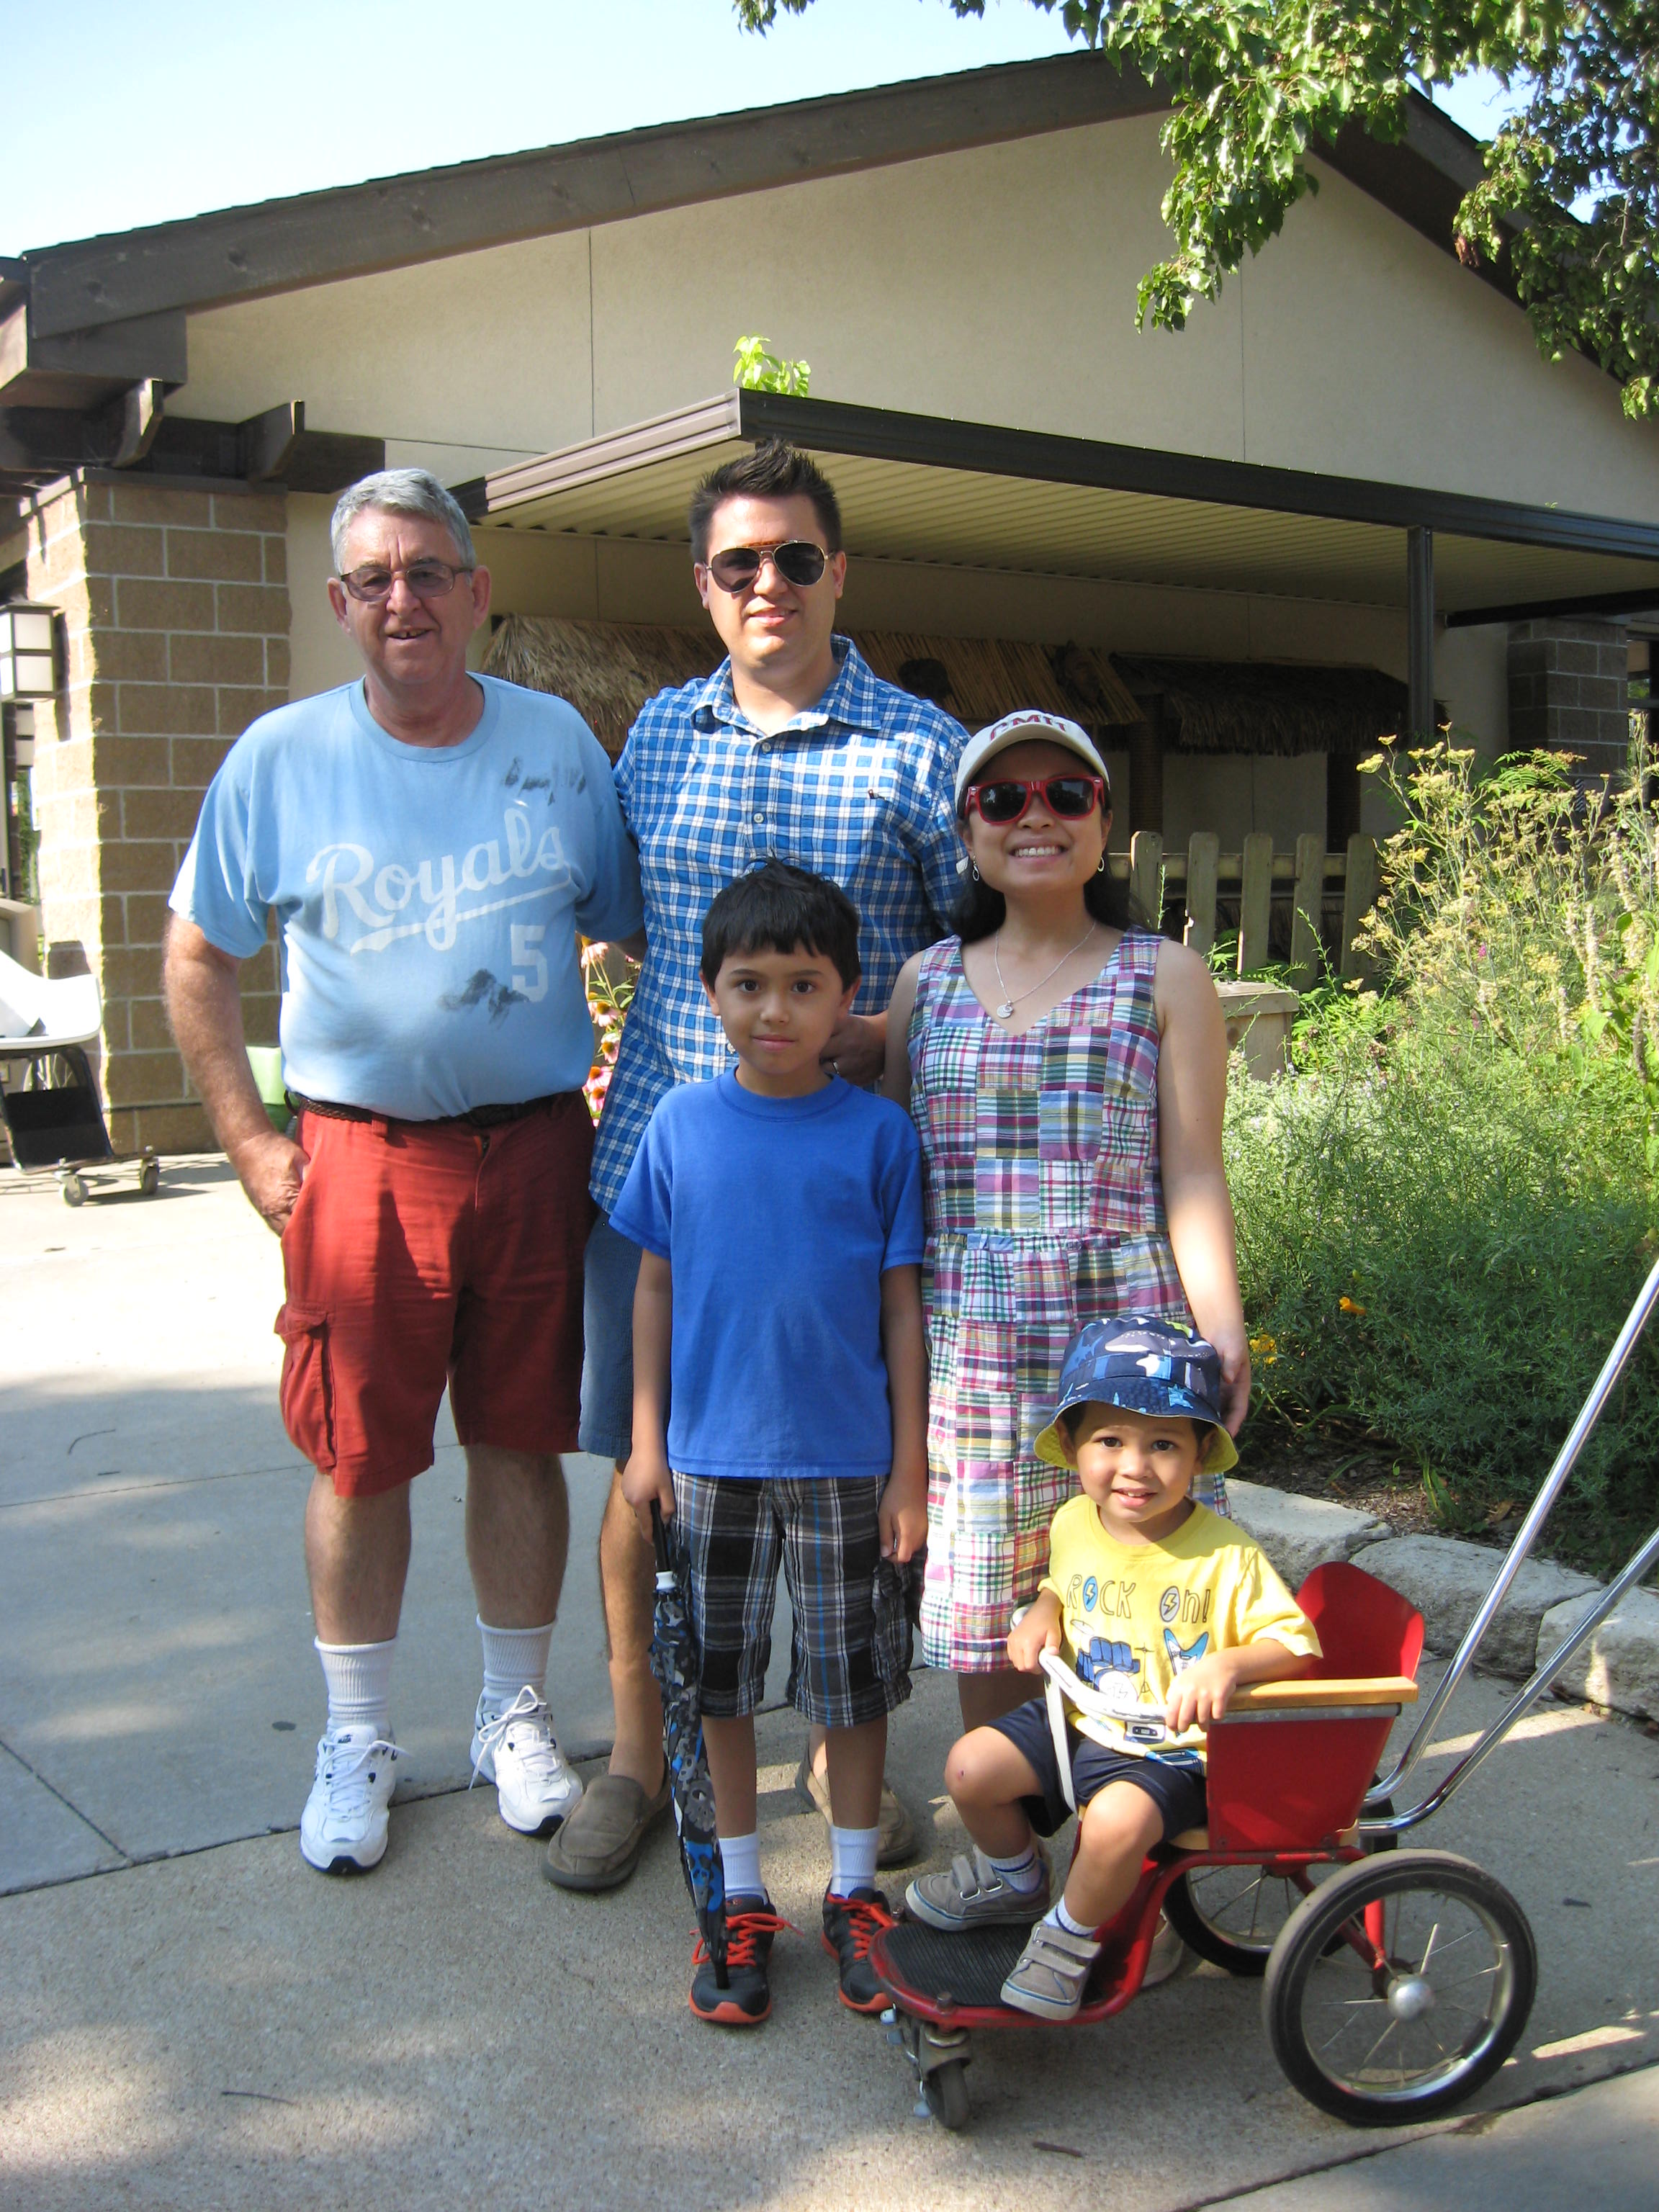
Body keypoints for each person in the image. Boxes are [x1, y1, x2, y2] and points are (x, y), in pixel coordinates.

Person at [163, 467, 643, 1874]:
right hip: (360, 1162)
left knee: (520, 1442)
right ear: (339, 602)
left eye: (428, 571)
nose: (403, 599)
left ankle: (511, 1715)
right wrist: (250, 1141)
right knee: (358, 1458)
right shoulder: (280, 759)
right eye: (374, 578)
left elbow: (632, 925)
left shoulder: (556, 743)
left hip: (537, 1148)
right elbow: (197, 955)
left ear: (476, 591)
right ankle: (358, 1736)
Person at [545, 441, 966, 1895]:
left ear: (838, 570)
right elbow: (612, 918)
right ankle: (637, 1755)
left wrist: (881, 1038)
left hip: (847, 1189)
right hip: (666, 1171)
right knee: (647, 1474)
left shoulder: (921, 748)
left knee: (843, 1480)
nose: (768, 582)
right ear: (703, 583)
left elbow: (978, 952)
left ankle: (847, 1764)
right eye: (740, 562)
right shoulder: (657, 736)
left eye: (795, 557)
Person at [883, 709, 1251, 1734]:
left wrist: (1224, 1329)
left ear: (1103, 822)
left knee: (1143, 1596)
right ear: (968, 830)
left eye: (1066, 795)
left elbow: (1193, 1172)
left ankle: (1129, 1801)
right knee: (995, 1616)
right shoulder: (924, 982)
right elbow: (897, 1185)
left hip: (1122, 1341)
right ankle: (1009, 1810)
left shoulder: (1164, 974)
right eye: (1004, 799)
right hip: (972, 1349)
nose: (1035, 817)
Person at [615, 862, 928, 2026]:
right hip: (709, 1462)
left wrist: (910, 1467)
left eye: (804, 985)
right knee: (721, 1686)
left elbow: (901, 1308)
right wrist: (645, 1440)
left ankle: (853, 1891)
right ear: (710, 993)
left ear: (848, 995)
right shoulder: (681, 1126)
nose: (775, 1010)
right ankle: (740, 1898)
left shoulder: (879, 1135)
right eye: (749, 984)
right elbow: (654, 1288)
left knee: (852, 1684)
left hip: (849, 1460)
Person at [906, 1314, 1318, 2020]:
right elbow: (1064, 1582)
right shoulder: (1075, 1520)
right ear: (1071, 1446)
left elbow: (1297, 1646)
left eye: (1163, 1444)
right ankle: (1017, 1878)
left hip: (1172, 1751)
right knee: (970, 1768)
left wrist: (1229, 1664)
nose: (1135, 1467)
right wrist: (1045, 1610)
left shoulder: (1226, 1556)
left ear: (1199, 1454)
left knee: (1114, 1825)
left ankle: (1068, 1936)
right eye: (1110, 1441)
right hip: (1079, 1720)